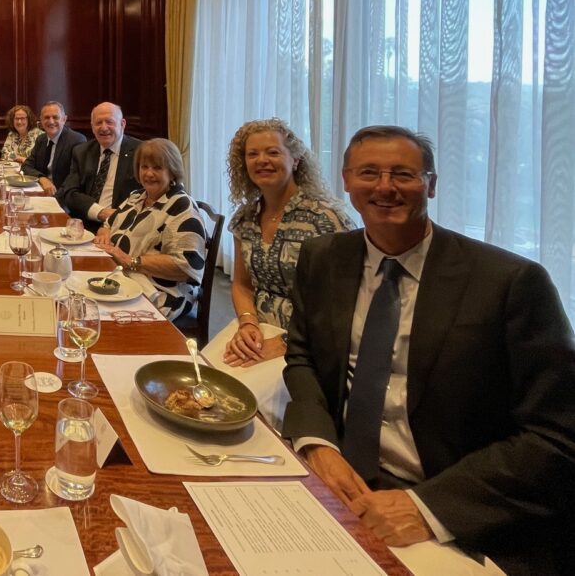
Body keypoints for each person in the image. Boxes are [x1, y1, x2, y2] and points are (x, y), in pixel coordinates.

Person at [283, 126, 575, 575]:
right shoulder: (322, 258)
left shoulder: (510, 283)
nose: (385, 187)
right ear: (346, 180)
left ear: (432, 184)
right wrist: (318, 444)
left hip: (457, 508)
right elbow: (301, 357)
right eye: (369, 173)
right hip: (342, 484)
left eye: (403, 174)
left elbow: (556, 435)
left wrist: (427, 507)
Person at [221, 118, 352, 367]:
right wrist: (248, 323)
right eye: (252, 154)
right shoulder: (245, 218)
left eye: (273, 152)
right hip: (255, 332)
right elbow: (242, 285)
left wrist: (285, 343)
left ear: (295, 160)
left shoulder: (325, 219)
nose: (262, 160)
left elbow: (341, 303)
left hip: (311, 344)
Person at [92, 139, 207, 319]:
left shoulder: (182, 207)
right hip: (122, 279)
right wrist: (104, 235)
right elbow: (108, 224)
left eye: (157, 168)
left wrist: (129, 260)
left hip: (161, 293)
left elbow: (186, 266)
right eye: (144, 167)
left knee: (95, 316)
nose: (149, 173)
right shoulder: (137, 196)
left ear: (172, 171)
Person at [58, 102, 141, 230]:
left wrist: (116, 219)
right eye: (98, 123)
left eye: (109, 122)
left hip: (126, 228)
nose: (103, 128)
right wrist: (100, 212)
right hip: (84, 225)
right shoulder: (82, 152)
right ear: (92, 126)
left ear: (122, 124)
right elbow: (70, 192)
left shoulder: (141, 152)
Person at [19, 101, 86, 195]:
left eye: (55, 117)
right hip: (41, 191)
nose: (51, 121)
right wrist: (42, 179)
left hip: (63, 196)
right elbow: (26, 166)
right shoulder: (41, 139)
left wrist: (55, 196)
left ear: (64, 119)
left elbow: (74, 179)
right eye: (46, 117)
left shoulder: (76, 140)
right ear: (41, 121)